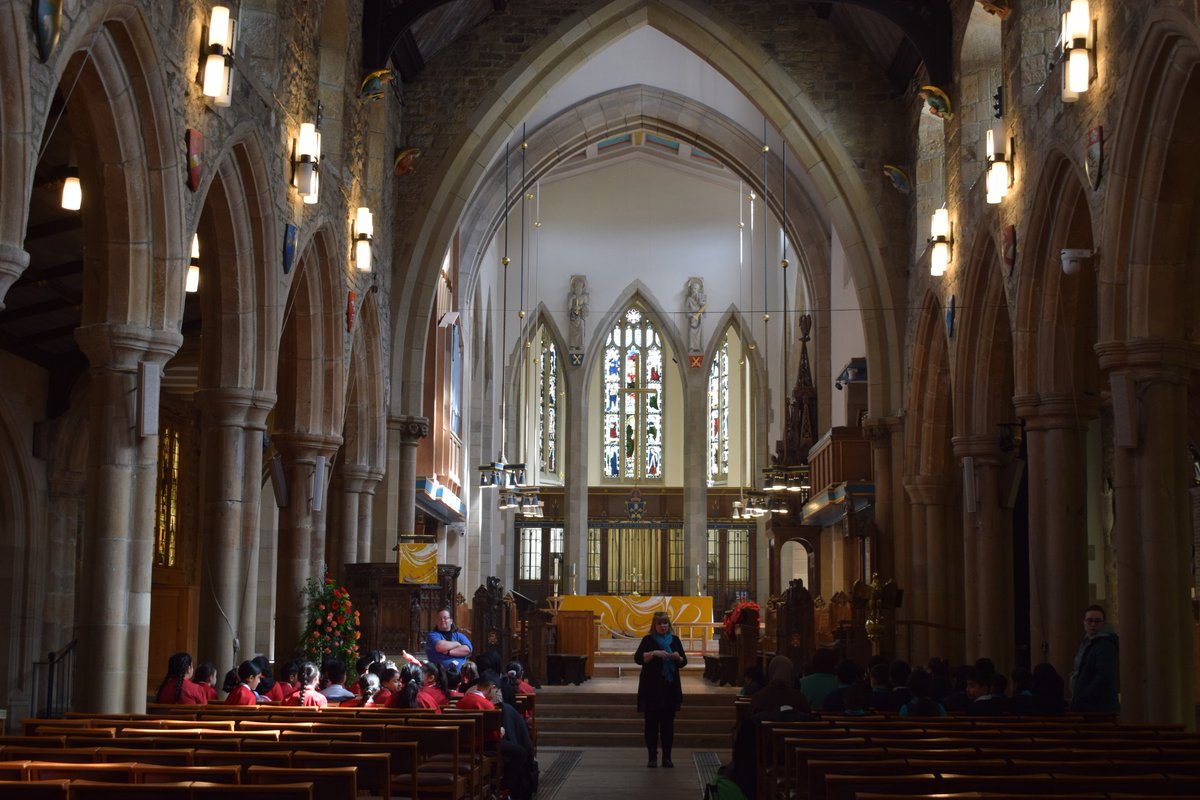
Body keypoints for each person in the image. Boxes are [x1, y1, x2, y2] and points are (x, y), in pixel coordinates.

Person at [633, 611, 686, 768]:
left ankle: (667, 757)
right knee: (651, 724)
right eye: (659, 623)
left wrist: (678, 657)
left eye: (665, 623)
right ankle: (652, 757)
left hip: (669, 688)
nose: (663, 626)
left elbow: (683, 661)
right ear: (654, 625)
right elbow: (637, 658)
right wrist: (654, 653)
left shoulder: (675, 640)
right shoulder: (648, 640)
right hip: (651, 687)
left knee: (668, 725)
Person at [1069, 604, 1119, 713]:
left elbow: (1104, 674)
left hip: (1097, 706)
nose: (1093, 624)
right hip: (1085, 702)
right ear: (1084, 623)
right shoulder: (1087, 643)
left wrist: (1084, 694)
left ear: (1103, 624)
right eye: (1089, 620)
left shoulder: (1105, 645)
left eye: (1097, 621)